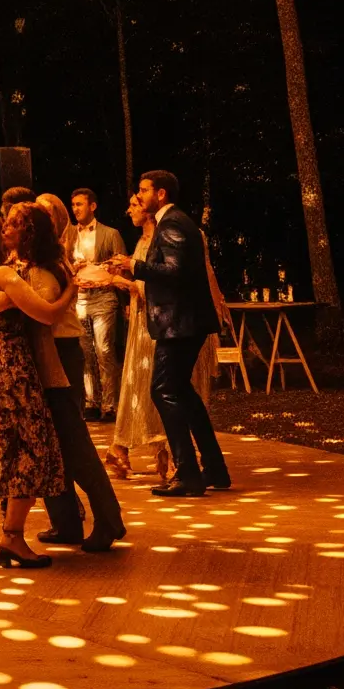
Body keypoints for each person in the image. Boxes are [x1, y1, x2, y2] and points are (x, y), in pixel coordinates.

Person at [5, 201, 125, 553]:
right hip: (54, 356)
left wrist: (8, 301)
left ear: (29, 233)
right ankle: (66, 523)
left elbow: (44, 317)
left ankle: (108, 519)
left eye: (13, 224)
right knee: (53, 446)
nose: (6, 229)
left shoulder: (43, 271)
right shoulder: (39, 265)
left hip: (56, 358)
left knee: (73, 447)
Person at [0, 211, 65, 568]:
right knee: (31, 445)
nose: (8, 231)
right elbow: (47, 314)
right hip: (10, 364)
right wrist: (73, 291)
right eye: (2, 229)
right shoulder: (2, 274)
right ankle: (13, 536)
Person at [136, 169, 232, 497]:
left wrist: (133, 267)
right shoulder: (177, 221)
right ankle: (215, 469)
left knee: (162, 391)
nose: (139, 196)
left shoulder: (173, 223)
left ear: (161, 194)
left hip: (180, 324)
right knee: (182, 392)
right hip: (185, 322)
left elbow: (174, 272)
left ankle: (187, 473)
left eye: (144, 190)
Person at [108, 189, 174, 485]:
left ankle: (164, 452)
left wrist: (127, 283)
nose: (130, 210)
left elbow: (162, 282)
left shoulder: (161, 240)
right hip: (141, 323)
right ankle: (125, 449)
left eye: (135, 204)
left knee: (154, 384)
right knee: (136, 384)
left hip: (156, 324)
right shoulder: (142, 241)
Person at [68, 183, 126, 419]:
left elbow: (122, 266)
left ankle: (110, 405)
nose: (75, 209)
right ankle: (92, 402)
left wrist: (103, 272)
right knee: (85, 353)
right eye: (73, 205)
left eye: (79, 204)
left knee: (104, 350)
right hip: (80, 297)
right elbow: (61, 266)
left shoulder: (110, 234)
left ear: (93, 206)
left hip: (104, 297)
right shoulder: (69, 235)